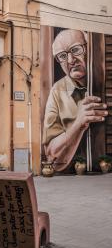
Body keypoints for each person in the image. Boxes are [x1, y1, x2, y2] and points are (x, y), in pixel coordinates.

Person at [43, 29, 108, 171]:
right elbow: (51, 154)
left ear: (89, 48)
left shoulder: (106, 81)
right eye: (62, 56)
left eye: (76, 49)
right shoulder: (57, 90)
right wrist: (78, 124)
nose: (71, 60)